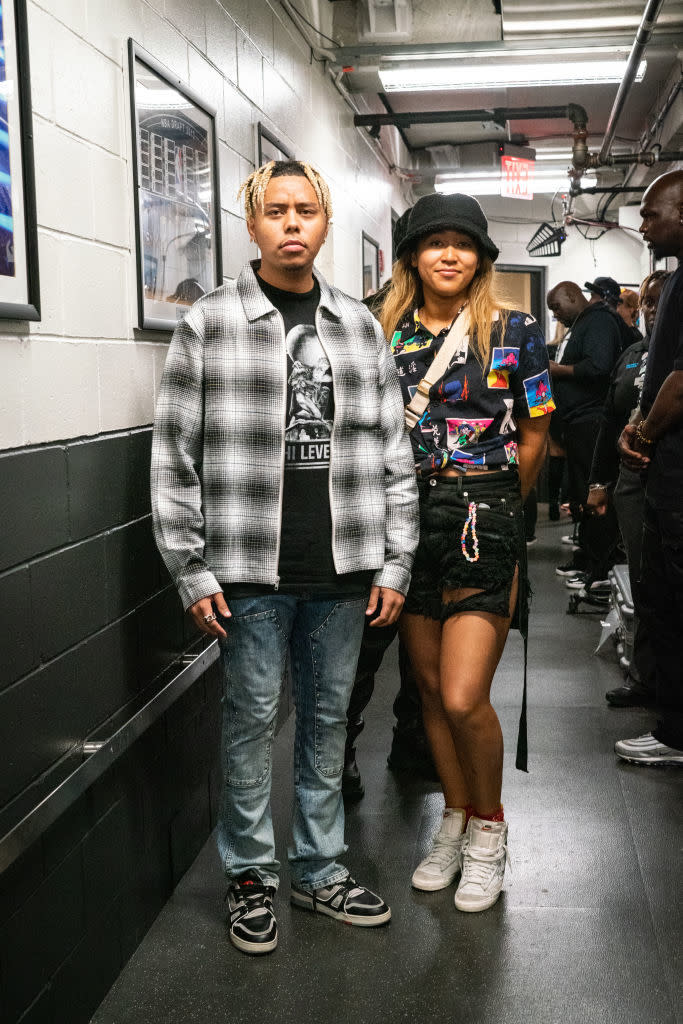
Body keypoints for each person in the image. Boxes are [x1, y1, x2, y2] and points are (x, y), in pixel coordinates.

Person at [151, 159, 419, 955]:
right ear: (252, 222)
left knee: (329, 722)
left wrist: (395, 561)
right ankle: (249, 876)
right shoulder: (210, 322)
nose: (292, 223)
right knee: (249, 723)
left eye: (306, 210)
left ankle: (318, 867)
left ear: (325, 222)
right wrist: (189, 567)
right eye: (277, 210)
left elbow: (393, 454)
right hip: (246, 570)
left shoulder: (356, 326)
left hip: (341, 566)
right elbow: (174, 456)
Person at [382, 192, 553, 912]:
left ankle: (489, 830)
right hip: (403, 513)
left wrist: (500, 504)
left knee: (462, 694)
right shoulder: (378, 330)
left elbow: (539, 428)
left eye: (461, 243)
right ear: (411, 257)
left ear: (480, 257)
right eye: (432, 242)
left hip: (482, 508)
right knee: (425, 691)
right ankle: (452, 819)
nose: (447, 254)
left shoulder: (513, 330)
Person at [614, 169, 683, 767]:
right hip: (666, 473)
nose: (643, 223)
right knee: (662, 597)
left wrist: (643, 431)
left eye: (651, 212)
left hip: (679, 473)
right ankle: (672, 720)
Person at [587, 271, 669, 706]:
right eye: (649, 304)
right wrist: (599, 481)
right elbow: (608, 417)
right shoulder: (633, 355)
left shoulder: (674, 358)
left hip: (670, 480)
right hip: (631, 483)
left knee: (667, 587)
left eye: (661, 303)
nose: (654, 312)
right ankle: (646, 678)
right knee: (643, 583)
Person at [547, 281, 621, 585]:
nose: (556, 316)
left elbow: (599, 366)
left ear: (573, 296)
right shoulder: (580, 324)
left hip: (593, 421)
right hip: (576, 423)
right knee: (581, 495)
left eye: (557, 307)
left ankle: (600, 568)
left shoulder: (599, 321)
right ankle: (588, 559)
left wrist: (556, 369)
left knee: (596, 496)